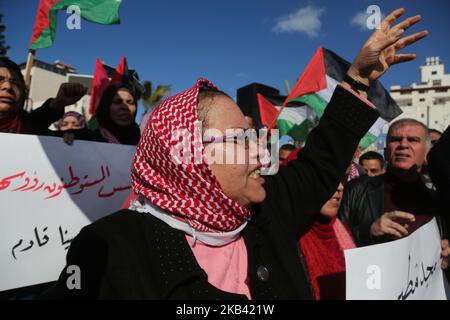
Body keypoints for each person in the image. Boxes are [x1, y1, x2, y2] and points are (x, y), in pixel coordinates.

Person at [42, 8, 427, 299]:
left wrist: (358, 78)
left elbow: (320, 161)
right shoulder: (110, 246)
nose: (263, 154)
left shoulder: (266, 210)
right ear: (189, 153)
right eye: (243, 139)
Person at [338, 119, 449, 269]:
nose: (403, 145)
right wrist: (369, 231)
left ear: (426, 154)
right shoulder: (357, 190)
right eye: (396, 140)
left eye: (413, 140)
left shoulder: (438, 200)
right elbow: (335, 241)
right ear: (385, 152)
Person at [299, 182, 356, 300]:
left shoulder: (344, 231)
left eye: (341, 179)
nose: (340, 187)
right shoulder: (290, 239)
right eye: (329, 178)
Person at [0, 57, 86, 135]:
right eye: (0, 80)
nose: (8, 86)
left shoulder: (35, 134)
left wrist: (67, 143)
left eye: (16, 83)